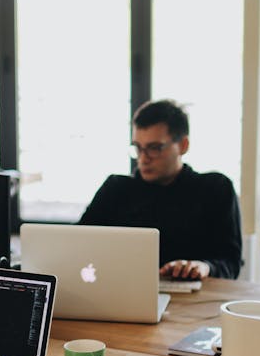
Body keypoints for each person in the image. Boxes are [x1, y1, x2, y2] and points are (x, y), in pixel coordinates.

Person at [79, 99, 242, 279]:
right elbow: (77, 243)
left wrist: (205, 267)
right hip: (122, 293)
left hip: (194, 299)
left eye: (154, 148)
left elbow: (231, 263)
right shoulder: (115, 189)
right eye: (138, 148)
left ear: (183, 145)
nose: (143, 158)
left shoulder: (215, 189)